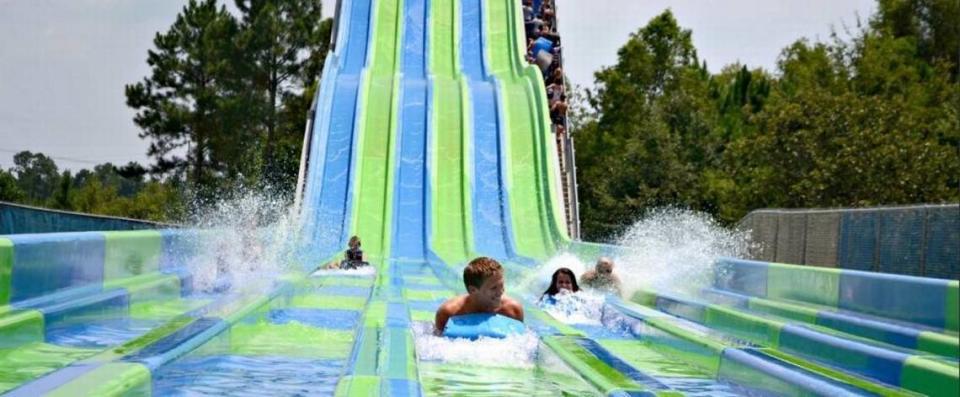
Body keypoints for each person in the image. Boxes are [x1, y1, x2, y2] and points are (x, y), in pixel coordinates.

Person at [434, 257, 524, 335]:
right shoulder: (449, 314)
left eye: (502, 285)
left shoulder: (512, 310)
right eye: (494, 288)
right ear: (473, 290)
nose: (501, 291)